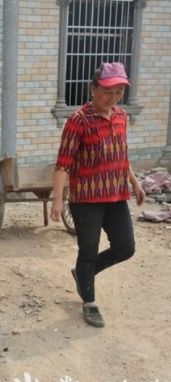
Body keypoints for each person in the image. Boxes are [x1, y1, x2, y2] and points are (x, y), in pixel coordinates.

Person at [50, 62, 146, 328]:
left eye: (118, 92)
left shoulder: (121, 116)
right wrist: (57, 200)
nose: (113, 98)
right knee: (88, 250)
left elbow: (122, 155)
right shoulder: (78, 120)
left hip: (116, 195)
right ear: (93, 89)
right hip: (86, 199)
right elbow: (63, 163)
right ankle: (89, 302)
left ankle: (83, 274)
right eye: (107, 92)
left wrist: (135, 183)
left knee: (125, 248)